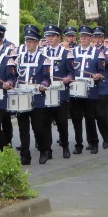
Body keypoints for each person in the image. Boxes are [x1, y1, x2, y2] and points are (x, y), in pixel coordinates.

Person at [15, 27, 52, 164]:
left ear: (37, 43)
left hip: (37, 97)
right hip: (22, 97)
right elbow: (15, 75)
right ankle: (25, 155)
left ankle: (43, 150)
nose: (29, 44)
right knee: (23, 128)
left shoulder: (44, 59)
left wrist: (43, 84)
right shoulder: (19, 58)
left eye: (31, 41)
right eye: (27, 41)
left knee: (38, 127)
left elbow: (47, 78)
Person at [69, 26, 106, 154]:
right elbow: (69, 70)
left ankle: (94, 142)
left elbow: (102, 72)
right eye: (81, 36)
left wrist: (98, 76)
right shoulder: (72, 52)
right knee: (76, 119)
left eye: (86, 36)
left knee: (90, 117)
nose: (83, 38)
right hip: (75, 90)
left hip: (90, 89)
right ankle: (78, 144)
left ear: (91, 38)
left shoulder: (98, 53)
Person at [42, 24, 74, 159]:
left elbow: (72, 73)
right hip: (45, 92)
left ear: (58, 37)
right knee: (45, 123)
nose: (49, 38)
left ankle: (65, 146)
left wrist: (68, 78)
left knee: (62, 123)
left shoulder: (66, 53)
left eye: (52, 36)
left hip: (61, 92)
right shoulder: (41, 53)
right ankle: (47, 150)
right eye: (48, 36)